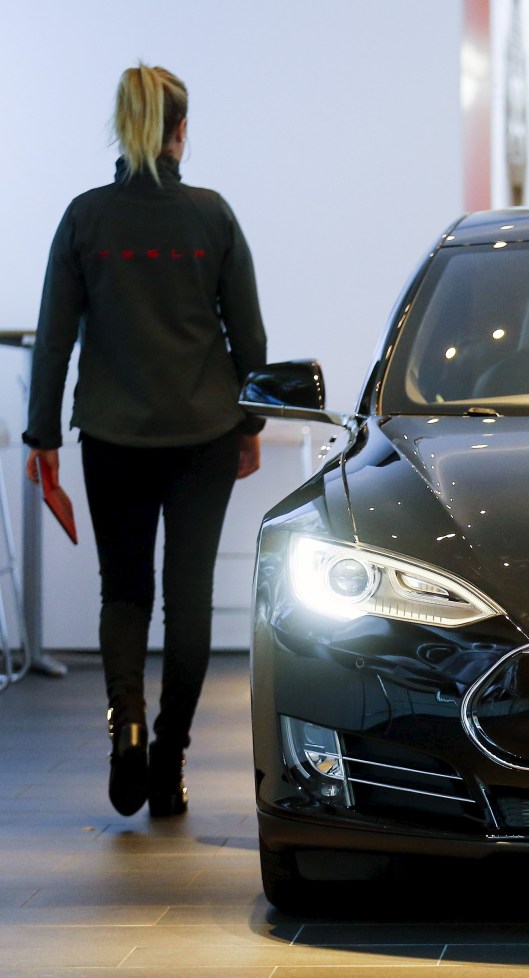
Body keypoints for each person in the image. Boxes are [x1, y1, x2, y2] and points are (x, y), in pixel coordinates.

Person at [23, 63, 268, 816]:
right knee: (187, 599)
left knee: (124, 591)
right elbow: (248, 335)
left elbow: (54, 342)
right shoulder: (212, 216)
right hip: (204, 432)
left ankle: (124, 725)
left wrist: (43, 435)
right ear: (180, 130)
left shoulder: (84, 219)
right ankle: (168, 759)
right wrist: (252, 423)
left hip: (112, 433)